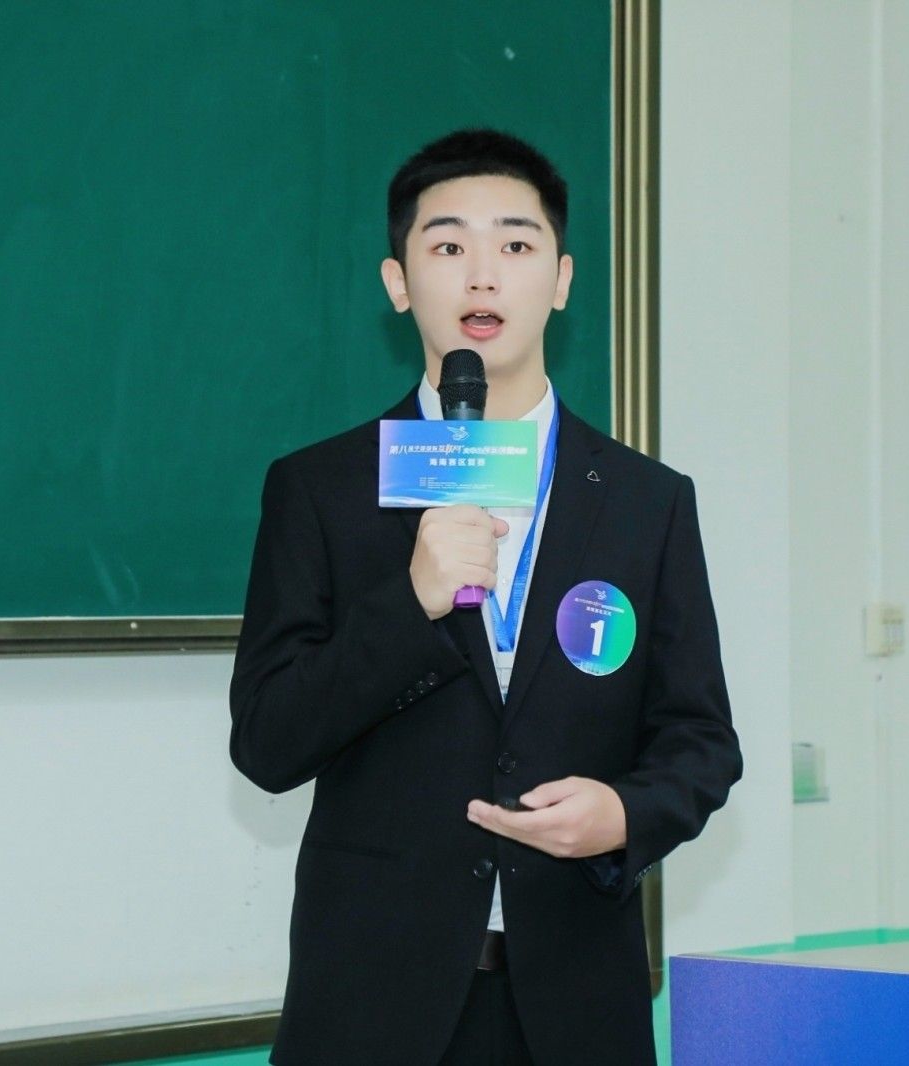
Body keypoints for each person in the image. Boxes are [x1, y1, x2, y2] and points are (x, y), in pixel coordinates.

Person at [229, 129, 742, 1065]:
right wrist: (409, 602)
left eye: (514, 243)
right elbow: (268, 743)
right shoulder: (322, 489)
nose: (482, 275)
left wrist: (624, 815)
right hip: (374, 1006)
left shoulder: (646, 501)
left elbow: (701, 740)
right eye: (447, 245)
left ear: (562, 279)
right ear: (398, 283)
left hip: (578, 1002)